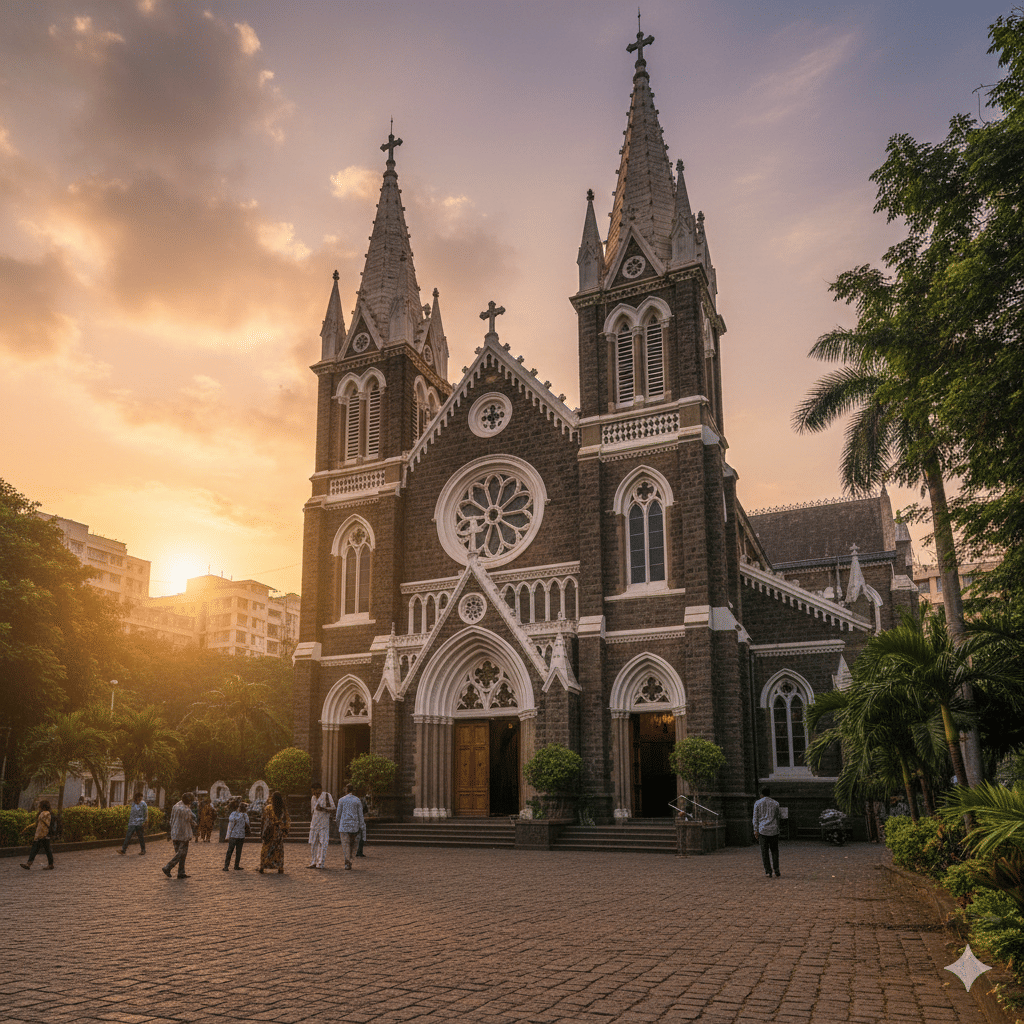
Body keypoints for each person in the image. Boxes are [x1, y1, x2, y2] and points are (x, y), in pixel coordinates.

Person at [163, 792, 195, 879]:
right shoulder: (186, 810)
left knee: (180, 853)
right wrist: (194, 823)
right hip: (183, 833)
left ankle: (181, 872)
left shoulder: (176, 806)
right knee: (181, 853)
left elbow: (171, 819)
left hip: (175, 832)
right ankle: (168, 867)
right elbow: (190, 819)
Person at [752, 786, 782, 877]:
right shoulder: (776, 803)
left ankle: (768, 871)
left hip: (763, 830)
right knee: (774, 851)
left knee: (764, 852)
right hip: (774, 830)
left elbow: (755, 818)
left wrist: (755, 830)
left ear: (761, 794)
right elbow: (778, 816)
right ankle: (776, 870)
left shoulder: (757, 803)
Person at [258, 791, 289, 874]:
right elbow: (286, 821)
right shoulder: (283, 809)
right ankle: (280, 867)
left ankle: (262, 866)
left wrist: (262, 831)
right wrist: (285, 830)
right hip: (278, 832)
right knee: (278, 850)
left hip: (270, 831)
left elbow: (263, 820)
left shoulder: (268, 808)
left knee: (266, 848)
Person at [336, 784, 365, 870]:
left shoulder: (341, 800)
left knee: (346, 845)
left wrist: (338, 824)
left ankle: (347, 862)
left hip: (344, 825)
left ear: (346, 790)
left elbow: (338, 815)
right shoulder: (357, 800)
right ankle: (350, 861)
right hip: (354, 826)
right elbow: (360, 815)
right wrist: (361, 825)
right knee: (353, 845)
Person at [19, 799, 55, 870]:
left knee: (35, 849)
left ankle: (29, 864)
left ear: (43, 807)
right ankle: (50, 864)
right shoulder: (50, 814)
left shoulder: (42, 814)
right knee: (46, 850)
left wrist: (26, 829)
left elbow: (39, 825)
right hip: (45, 835)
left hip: (42, 835)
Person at [307, 782, 335, 869]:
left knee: (323, 843)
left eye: (316, 792)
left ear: (320, 790)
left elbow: (333, 809)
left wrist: (323, 809)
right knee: (313, 843)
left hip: (324, 824)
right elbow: (312, 811)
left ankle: (321, 862)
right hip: (314, 824)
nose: (315, 794)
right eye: (313, 792)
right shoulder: (313, 798)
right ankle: (313, 861)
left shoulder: (327, 796)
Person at [223, 798, 249, 871]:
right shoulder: (245, 816)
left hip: (233, 835)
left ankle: (226, 866)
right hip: (241, 836)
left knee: (229, 851)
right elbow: (248, 825)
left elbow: (230, 825)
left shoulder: (233, 814)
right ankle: (236, 866)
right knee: (238, 852)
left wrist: (227, 836)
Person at [119, 791, 148, 855]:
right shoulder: (133, 804)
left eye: (141, 798)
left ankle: (143, 850)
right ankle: (123, 850)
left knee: (140, 837)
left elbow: (145, 813)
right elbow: (131, 813)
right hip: (132, 823)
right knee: (128, 836)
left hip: (140, 823)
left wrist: (145, 821)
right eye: (138, 798)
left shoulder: (143, 804)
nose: (140, 799)